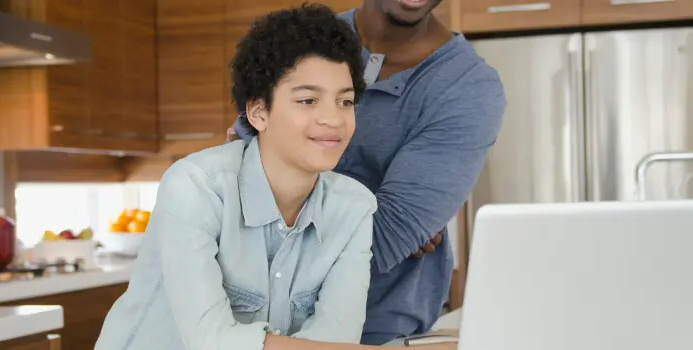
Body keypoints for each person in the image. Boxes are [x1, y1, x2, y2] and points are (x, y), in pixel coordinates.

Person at [95, 4, 457, 350]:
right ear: (258, 112)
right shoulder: (196, 186)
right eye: (307, 101)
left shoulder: (355, 206)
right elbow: (213, 342)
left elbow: (335, 339)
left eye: (345, 101)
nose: (333, 119)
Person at [229, 0, 506, 345]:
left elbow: (387, 235)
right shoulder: (305, 36)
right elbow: (240, 166)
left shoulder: (468, 87)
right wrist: (363, 215)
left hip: (375, 334)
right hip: (250, 325)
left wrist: (278, 210)